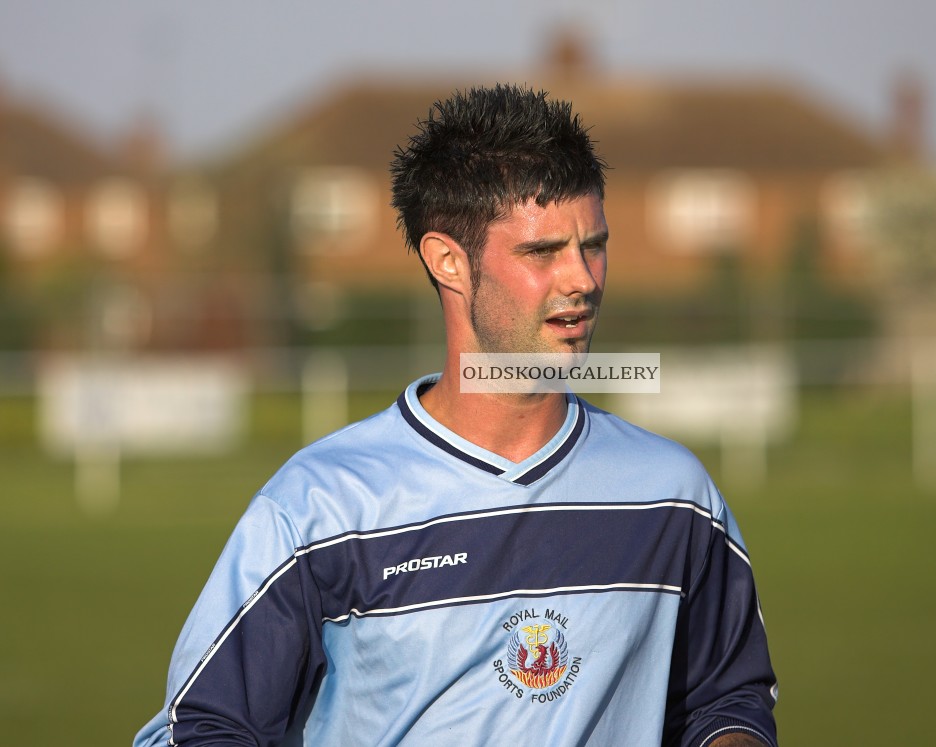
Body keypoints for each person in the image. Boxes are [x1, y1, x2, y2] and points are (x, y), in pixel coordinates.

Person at [135, 84, 778, 747]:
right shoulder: (320, 508)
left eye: (593, 245)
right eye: (542, 251)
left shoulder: (674, 496)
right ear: (448, 261)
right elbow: (202, 728)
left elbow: (727, 703)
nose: (582, 278)